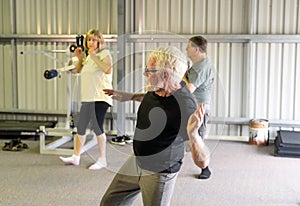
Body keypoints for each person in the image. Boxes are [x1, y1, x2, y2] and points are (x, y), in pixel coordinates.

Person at [101, 46, 210, 206]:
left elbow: (202, 163)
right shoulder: (157, 89)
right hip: (137, 160)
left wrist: (193, 134)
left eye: (149, 70)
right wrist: (130, 96)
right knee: (110, 203)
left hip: (160, 172)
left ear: (165, 75)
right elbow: (154, 98)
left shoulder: (185, 105)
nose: (145, 74)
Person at [59, 29, 113, 170]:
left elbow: (108, 69)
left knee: (97, 127)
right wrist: (81, 58)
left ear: (99, 41)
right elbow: (78, 71)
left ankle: (102, 160)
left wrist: (94, 57)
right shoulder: (88, 57)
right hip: (88, 97)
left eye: (94, 40)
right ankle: (76, 156)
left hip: (100, 97)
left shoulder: (104, 54)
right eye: (89, 39)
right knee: (81, 126)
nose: (90, 42)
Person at [183, 35, 215, 179]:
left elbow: (188, 89)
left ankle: (205, 168)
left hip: (197, 109)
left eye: (189, 46)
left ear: (195, 50)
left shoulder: (200, 68)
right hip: (195, 106)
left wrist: (182, 75)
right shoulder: (201, 64)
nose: (186, 49)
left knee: (198, 139)